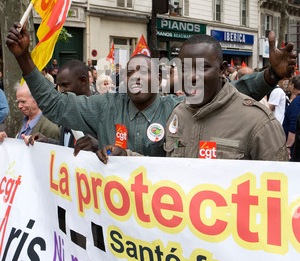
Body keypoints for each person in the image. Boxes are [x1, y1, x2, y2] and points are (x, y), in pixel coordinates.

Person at [5, 22, 296, 160]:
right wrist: (24, 58)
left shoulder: (178, 109)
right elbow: (56, 104)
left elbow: (230, 90)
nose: (135, 79)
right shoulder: (105, 106)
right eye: (129, 73)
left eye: (143, 72)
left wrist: (270, 76)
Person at [163, 35, 288, 161]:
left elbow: (277, 178)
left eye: (202, 68)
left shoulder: (259, 123)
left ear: (221, 69)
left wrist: (272, 75)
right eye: (185, 69)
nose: (192, 77)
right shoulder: (178, 113)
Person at [29, 60, 97, 151]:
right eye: (59, 86)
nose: (60, 90)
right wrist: (47, 141)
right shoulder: (67, 110)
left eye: (65, 85)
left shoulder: (100, 112)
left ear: (83, 81)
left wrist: (98, 146)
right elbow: (67, 147)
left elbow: (116, 153)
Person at [282, 75, 300, 158]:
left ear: (293, 86)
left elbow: (294, 125)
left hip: (295, 147)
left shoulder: (296, 102)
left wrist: (288, 146)